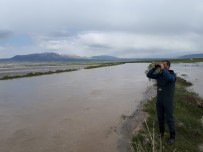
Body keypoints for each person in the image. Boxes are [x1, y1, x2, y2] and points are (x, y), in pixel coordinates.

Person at [146, 60, 176, 145]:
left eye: (164, 65)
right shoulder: (159, 75)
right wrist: (155, 68)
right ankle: (161, 133)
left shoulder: (172, 74)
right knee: (160, 117)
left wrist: (163, 69)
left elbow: (170, 78)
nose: (162, 66)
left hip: (168, 101)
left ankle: (172, 137)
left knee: (169, 118)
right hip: (159, 100)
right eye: (162, 64)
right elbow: (149, 75)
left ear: (168, 66)